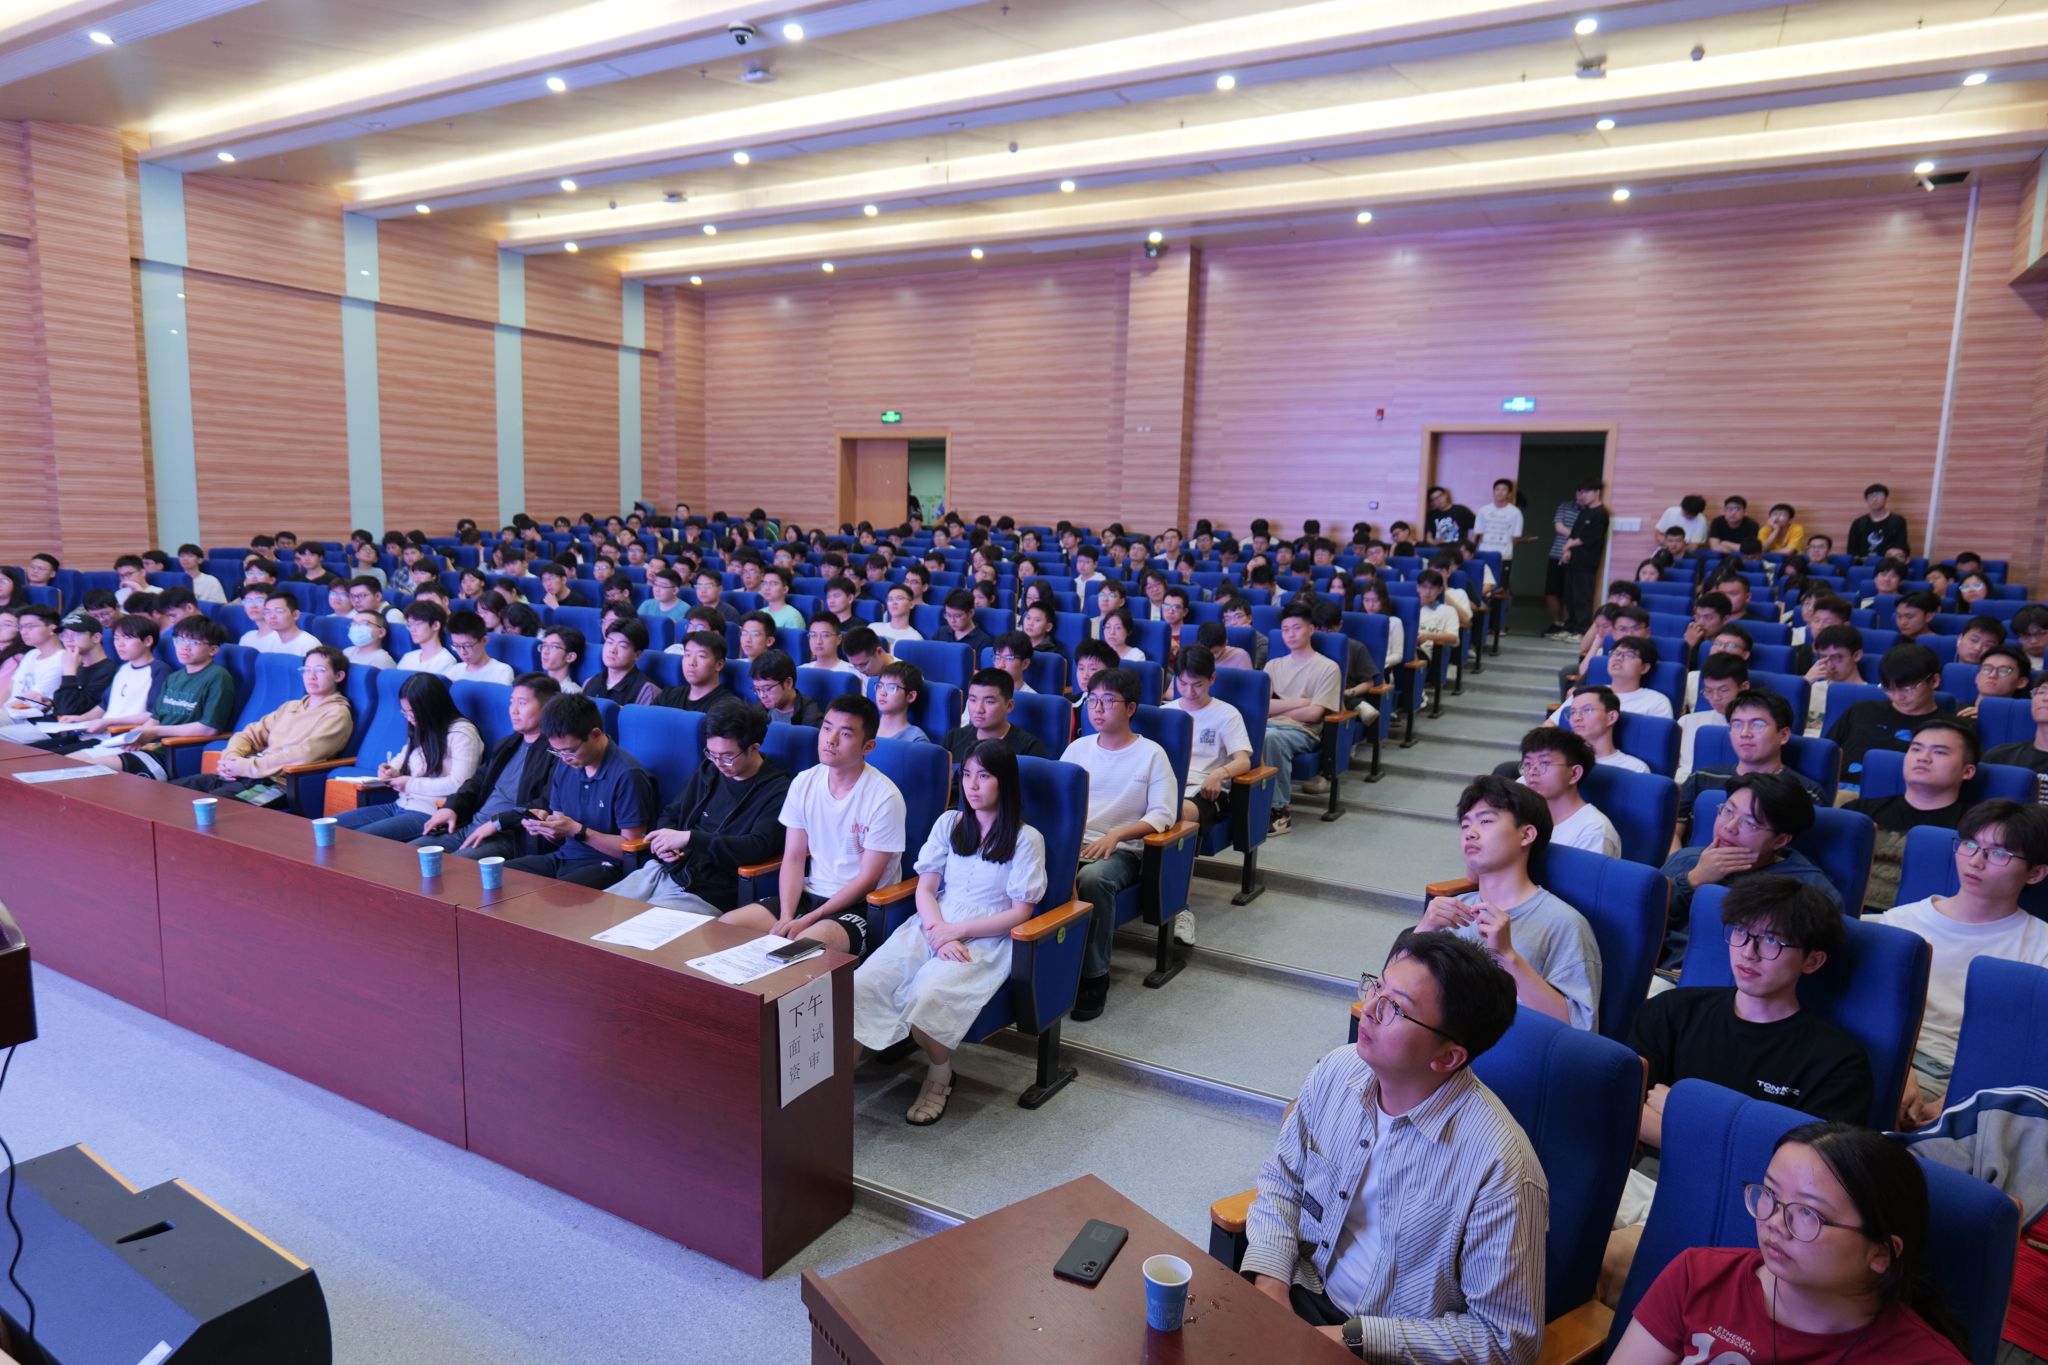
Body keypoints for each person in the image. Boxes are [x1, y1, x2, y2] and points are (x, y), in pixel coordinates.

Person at [1243, 928, 1544, 1362]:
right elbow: (1282, 1180)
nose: (1368, 1009)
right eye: (1377, 988)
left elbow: (1503, 1340)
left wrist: (1348, 1339)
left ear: (1448, 1057)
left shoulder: (1501, 1168)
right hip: (1300, 1290)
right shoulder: (1338, 1070)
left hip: (1397, 1346)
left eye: (1395, 1007)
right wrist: (1271, 1287)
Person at [1608, 1123, 1969, 1365]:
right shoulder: (1699, 1275)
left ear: (1880, 1253)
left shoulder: (1925, 1357)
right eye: (1769, 1194)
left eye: (1808, 1213)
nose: (1774, 1224)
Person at [853, 739, 1047, 1126]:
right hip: (933, 920)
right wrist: (936, 930)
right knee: (863, 983)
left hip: (988, 935)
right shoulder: (949, 823)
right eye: (967, 774)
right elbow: (925, 888)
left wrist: (955, 932)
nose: (972, 785)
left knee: (929, 993)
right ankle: (834, 1083)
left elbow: (1020, 912)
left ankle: (940, 1075)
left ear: (1005, 782)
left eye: (984, 776)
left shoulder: (1027, 839)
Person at [1632, 877, 1872, 1147]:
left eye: (1772, 940)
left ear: (1812, 961)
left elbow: (1800, 1164)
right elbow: (1626, 1109)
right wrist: (1743, 1141)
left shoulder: (1837, 1062)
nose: (1748, 952)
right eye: (1741, 930)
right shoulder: (1671, 1010)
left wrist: (1684, 1111)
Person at [1875, 799, 2048, 1125]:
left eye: (1999, 853)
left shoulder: (2042, 947)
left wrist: (1958, 1098)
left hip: (1973, 1078)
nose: (1976, 862)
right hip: (1890, 1056)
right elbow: (1872, 1015)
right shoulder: (1900, 922)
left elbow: (2026, 1050)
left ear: (2036, 873)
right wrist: (1901, 1072)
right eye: (1969, 845)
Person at [720, 695, 907, 960]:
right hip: (809, 895)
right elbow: (794, 857)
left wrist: (810, 919)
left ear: (868, 746)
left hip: (859, 905)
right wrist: (787, 916)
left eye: (845, 734)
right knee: (725, 927)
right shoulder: (804, 782)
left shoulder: (885, 797)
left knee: (799, 950)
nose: (831, 740)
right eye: (827, 728)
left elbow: (867, 880)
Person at [1419, 775, 1600, 1030]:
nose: (1470, 833)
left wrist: (1507, 956)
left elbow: (1581, 1030)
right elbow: (1390, 994)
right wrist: (1423, 932)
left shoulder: (1565, 923)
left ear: (1526, 834)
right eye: (1465, 825)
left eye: (1485, 821)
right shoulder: (1449, 911)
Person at [1064, 667, 1179, 1021]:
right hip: (1075, 844)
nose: (1097, 709)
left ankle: (1094, 976)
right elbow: (1057, 802)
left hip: (1124, 851)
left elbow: (1164, 814)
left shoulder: (1151, 754)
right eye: (1092, 701)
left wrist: (1116, 835)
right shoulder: (1077, 749)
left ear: (1130, 708)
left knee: (1092, 879)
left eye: (1108, 701)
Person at [608, 700, 794, 911]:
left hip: (709, 890)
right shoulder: (709, 771)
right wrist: (666, 845)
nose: (719, 763)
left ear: (754, 748)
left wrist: (690, 838)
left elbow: (756, 847)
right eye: (712, 754)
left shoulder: (777, 790)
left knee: (640, 925)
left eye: (727, 756)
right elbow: (671, 814)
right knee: (603, 912)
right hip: (667, 871)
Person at [1656, 772, 1839, 969]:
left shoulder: (1810, 891)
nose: (1729, 827)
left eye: (1750, 823)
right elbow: (1642, 922)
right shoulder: (1687, 860)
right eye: (1727, 811)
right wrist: (1692, 881)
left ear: (1780, 840)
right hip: (1657, 973)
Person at [503, 692, 656, 888]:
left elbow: (631, 849)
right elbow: (561, 830)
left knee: (553, 895)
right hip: (565, 857)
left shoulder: (628, 775)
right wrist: (547, 827)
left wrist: (578, 831)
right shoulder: (564, 764)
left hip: (607, 865)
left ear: (595, 734)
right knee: (500, 876)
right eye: (557, 751)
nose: (565, 758)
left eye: (570, 750)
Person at [170, 648, 355, 808]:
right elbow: (248, 734)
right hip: (247, 774)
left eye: (320, 670)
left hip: (278, 785)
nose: (311, 676)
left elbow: (304, 755)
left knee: (211, 807)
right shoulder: (291, 706)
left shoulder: (337, 713)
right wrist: (231, 758)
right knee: (175, 791)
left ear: (338, 676)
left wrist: (245, 767)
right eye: (306, 670)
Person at [412, 673, 562, 862]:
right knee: (411, 854)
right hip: (471, 826)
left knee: (452, 867)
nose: (513, 710)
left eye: (522, 703)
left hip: (509, 837)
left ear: (547, 708)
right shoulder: (508, 744)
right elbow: (476, 782)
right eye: (512, 702)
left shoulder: (558, 752)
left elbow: (546, 802)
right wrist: (452, 807)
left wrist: (498, 823)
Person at [1844, 716, 1978, 911]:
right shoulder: (1858, 812)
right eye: (1916, 749)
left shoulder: (1978, 828)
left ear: (1967, 771)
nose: (1923, 757)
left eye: (1939, 752)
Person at [331, 672, 483, 841]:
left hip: (430, 812)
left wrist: (409, 784)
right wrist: (391, 770)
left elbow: (459, 784)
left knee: (360, 840)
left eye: (413, 712)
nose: (410, 718)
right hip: (400, 804)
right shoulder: (423, 726)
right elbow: (404, 756)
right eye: (405, 712)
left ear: (432, 707)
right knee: (330, 826)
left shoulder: (462, 734)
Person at [1261, 602, 1343, 837]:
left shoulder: (1328, 667)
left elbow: (1314, 714)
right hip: (1269, 726)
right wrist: (1301, 702)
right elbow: (1263, 708)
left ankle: (1280, 811)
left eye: (1296, 628)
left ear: (1311, 629)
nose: (1290, 634)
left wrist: (1278, 708)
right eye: (1285, 629)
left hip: (1304, 732)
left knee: (1270, 738)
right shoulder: (1273, 665)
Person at [1827, 644, 1949, 790]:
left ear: (1934, 681)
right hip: (1836, 791)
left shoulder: (1947, 729)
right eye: (1889, 688)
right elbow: (1827, 754)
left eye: (1908, 688)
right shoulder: (1861, 710)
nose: (1898, 696)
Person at [1517, 726, 1620, 857]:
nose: (1532, 771)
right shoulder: (1520, 813)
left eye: (1544, 763)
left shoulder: (1593, 832)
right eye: (1527, 764)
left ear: (1574, 774)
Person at [1562, 685, 1651, 774]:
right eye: (1572, 712)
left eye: (1587, 710)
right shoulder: (1561, 762)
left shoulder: (1634, 768)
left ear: (1611, 717)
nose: (1576, 718)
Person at [655, 630, 738, 712]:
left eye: (701, 656)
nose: (691, 663)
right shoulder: (667, 696)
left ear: (719, 665)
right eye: (687, 655)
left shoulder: (728, 708)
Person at [588, 617, 660, 708]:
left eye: (622, 646)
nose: (612, 650)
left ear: (637, 655)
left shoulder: (647, 691)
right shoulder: (590, 682)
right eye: (609, 642)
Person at [749, 649, 823, 726]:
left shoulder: (810, 713)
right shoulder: (759, 710)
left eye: (767, 688)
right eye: (757, 689)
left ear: (788, 683)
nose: (762, 696)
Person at [444, 611, 515, 686]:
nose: (463, 652)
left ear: (484, 640)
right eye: (457, 646)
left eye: (467, 646)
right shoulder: (454, 671)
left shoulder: (502, 672)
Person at [1847, 482, 1911, 563]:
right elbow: (1851, 550)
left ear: (1886, 499)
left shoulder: (1898, 521)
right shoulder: (1858, 523)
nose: (1874, 499)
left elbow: (1900, 547)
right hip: (1863, 564)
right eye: (1871, 496)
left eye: (1878, 495)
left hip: (1888, 564)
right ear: (1866, 500)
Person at [395, 600, 459, 676]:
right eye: (409, 625)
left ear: (435, 625)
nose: (412, 629)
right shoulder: (408, 657)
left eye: (417, 624)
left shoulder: (445, 661)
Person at [872, 659, 928, 743]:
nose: (882, 693)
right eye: (880, 686)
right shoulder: (863, 727)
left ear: (911, 696)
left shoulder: (915, 740)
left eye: (891, 688)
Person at [1473, 478, 1525, 559]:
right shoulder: (1483, 510)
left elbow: (1515, 538)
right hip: (1483, 553)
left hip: (1504, 555)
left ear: (1509, 494)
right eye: (1497, 489)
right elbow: (1477, 534)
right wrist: (1471, 552)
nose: (1499, 492)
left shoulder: (1516, 513)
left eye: (1503, 490)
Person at [757, 565, 805, 631]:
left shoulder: (792, 616)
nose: (767, 588)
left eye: (773, 583)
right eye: (764, 583)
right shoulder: (760, 613)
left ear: (785, 589)